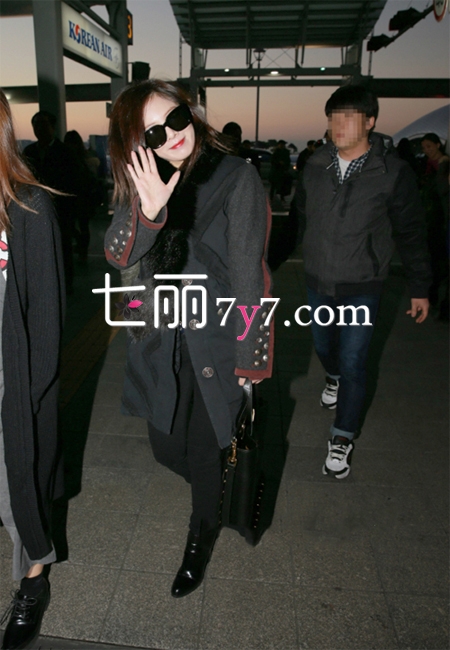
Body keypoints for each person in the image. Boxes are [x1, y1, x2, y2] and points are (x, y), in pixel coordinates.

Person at [105, 79, 273, 598]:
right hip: (161, 343)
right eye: (155, 132)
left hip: (216, 342)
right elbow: (118, 254)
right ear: (140, 144)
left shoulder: (235, 176)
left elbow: (249, 275)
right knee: (166, 447)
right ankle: (212, 490)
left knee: (204, 450)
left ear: (191, 113)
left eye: (176, 118)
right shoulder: (143, 182)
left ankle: (199, 538)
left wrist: (251, 361)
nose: (173, 134)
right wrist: (151, 210)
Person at [291, 85, 431, 479]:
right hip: (317, 280)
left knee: (354, 360)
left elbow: (411, 232)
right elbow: (298, 220)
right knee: (324, 347)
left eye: (348, 117)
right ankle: (332, 377)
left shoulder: (392, 173)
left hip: (363, 284)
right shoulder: (315, 165)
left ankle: (342, 435)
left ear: (370, 122)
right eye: (333, 117)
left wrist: (420, 286)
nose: (338, 125)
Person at [0, 91, 65, 649]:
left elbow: (47, 311)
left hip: (11, 377)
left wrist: (32, 392)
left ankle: (33, 580)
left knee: (17, 485)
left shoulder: (28, 206)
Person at [23, 111, 77, 293]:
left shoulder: (65, 152)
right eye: (36, 125)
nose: (39, 129)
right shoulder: (29, 152)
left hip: (61, 210)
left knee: (63, 247)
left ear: (53, 127)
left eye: (43, 124)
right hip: (35, 210)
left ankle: (65, 284)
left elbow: (74, 183)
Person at [420, 133, 449, 316]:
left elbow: (442, 190)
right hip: (431, 218)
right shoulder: (427, 166)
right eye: (424, 148)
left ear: (438, 145)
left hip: (442, 217)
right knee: (433, 259)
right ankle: (433, 297)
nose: (426, 151)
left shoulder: (444, 165)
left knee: (440, 260)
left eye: (429, 146)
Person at [64, 130, 100, 261]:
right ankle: (82, 251)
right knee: (84, 226)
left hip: (71, 198)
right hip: (84, 198)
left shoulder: (66, 159)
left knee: (70, 225)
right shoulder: (87, 159)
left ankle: (80, 246)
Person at [269, 139, 291, 204]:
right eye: (281, 144)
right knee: (273, 186)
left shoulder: (286, 152)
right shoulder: (275, 152)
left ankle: (282, 198)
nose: (282, 146)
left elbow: (288, 161)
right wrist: (278, 162)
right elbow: (272, 161)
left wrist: (285, 166)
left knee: (283, 185)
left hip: (282, 171)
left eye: (283, 144)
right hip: (275, 171)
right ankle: (271, 198)